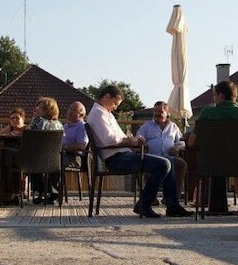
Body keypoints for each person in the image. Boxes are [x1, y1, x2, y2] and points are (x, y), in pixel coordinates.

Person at [86, 85, 193, 218]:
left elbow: (118, 137)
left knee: (169, 161)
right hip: (117, 159)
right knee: (164, 164)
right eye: (115, 103)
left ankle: (172, 205)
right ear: (107, 96)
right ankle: (145, 204)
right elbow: (111, 140)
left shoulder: (104, 113)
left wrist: (131, 140)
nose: (116, 107)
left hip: (122, 155)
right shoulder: (98, 114)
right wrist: (132, 141)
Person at [189, 81, 238, 219]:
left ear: (220, 95)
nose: (215, 98)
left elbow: (191, 142)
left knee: (232, 160)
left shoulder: (207, 112)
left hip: (211, 163)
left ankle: (202, 209)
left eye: (215, 95)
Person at [137, 101, 187, 205]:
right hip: (152, 157)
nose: (157, 113)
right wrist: (143, 144)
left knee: (181, 164)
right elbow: (138, 139)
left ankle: (172, 198)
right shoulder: (146, 127)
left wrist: (177, 148)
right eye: (155, 111)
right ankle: (151, 198)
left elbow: (181, 142)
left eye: (160, 111)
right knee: (152, 164)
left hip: (170, 157)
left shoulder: (173, 127)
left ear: (167, 113)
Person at [27, 97, 64, 204]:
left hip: (38, 158)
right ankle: (53, 191)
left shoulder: (38, 121)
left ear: (46, 109)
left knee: (31, 158)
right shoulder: (59, 124)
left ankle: (38, 191)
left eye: (39, 106)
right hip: (55, 159)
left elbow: (29, 135)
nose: (36, 108)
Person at [62, 102, 88, 170]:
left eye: (74, 110)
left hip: (73, 157)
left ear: (81, 115)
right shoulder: (65, 126)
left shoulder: (82, 127)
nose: (70, 112)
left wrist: (64, 147)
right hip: (62, 154)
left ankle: (56, 181)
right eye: (70, 109)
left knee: (55, 163)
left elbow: (81, 146)